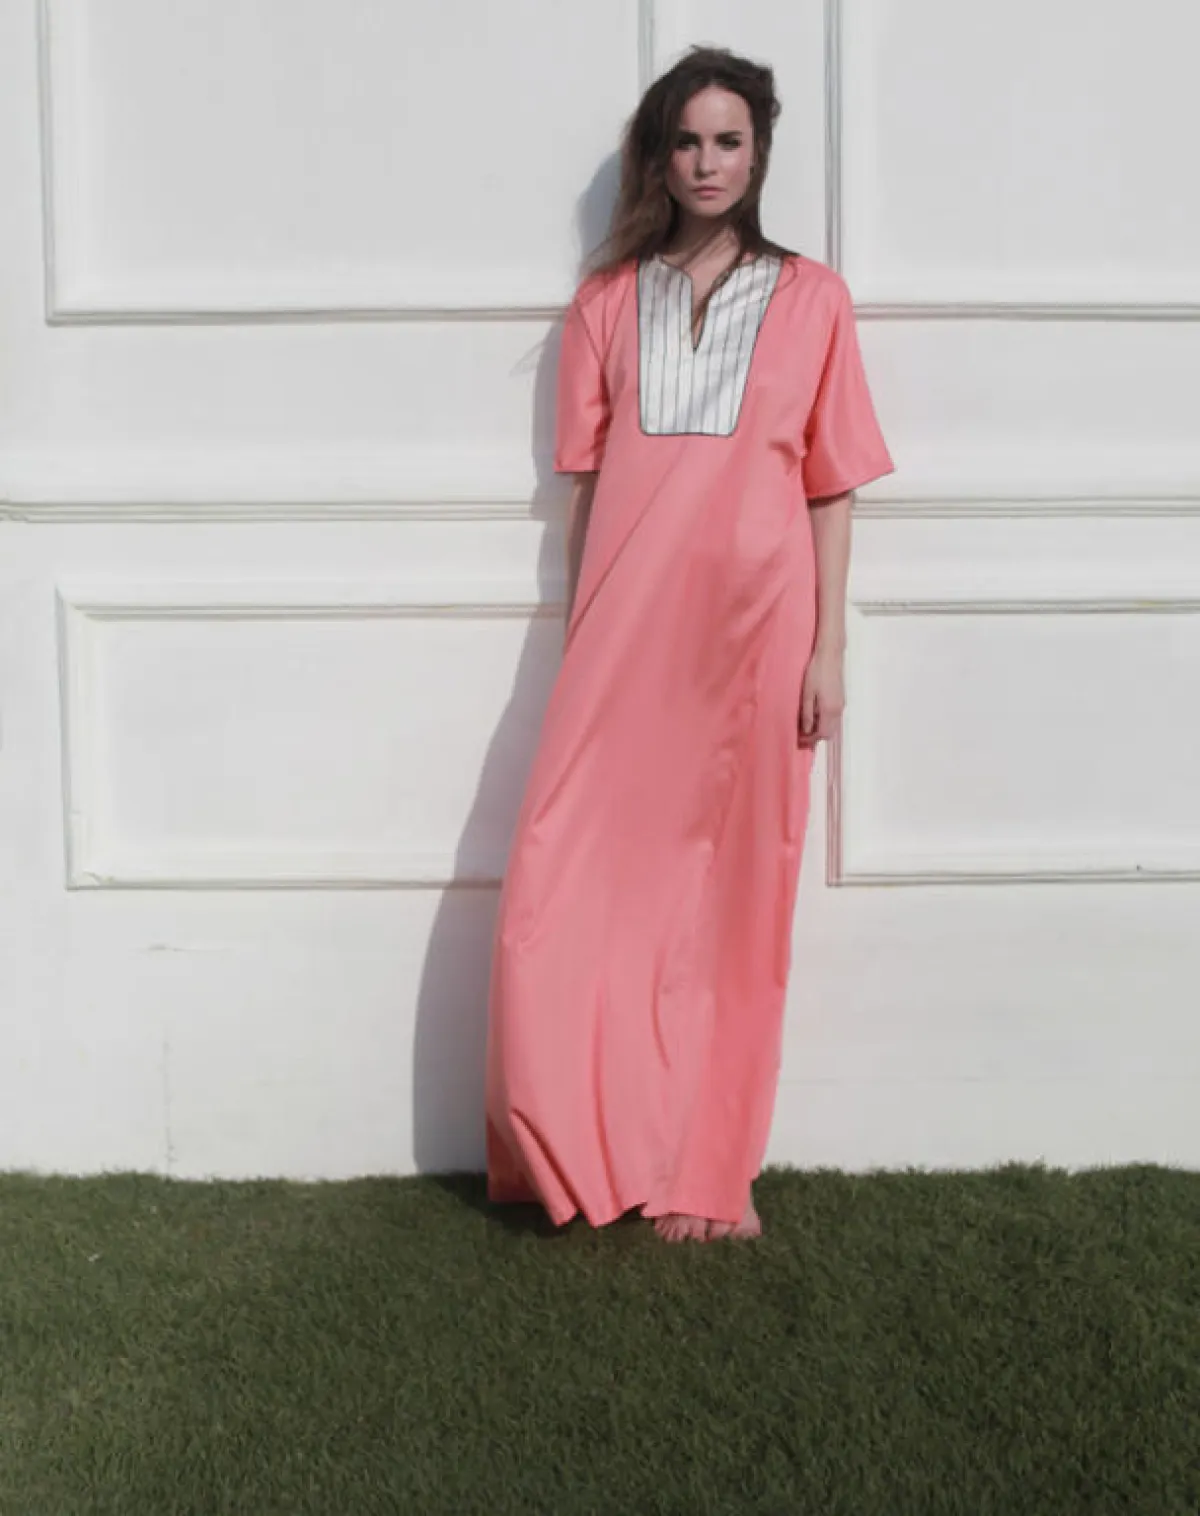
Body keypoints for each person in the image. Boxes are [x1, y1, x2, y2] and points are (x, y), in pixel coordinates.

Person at [484, 46, 894, 1242]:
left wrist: (828, 649)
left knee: (734, 898)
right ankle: (578, 1148)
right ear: (658, 157)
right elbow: (584, 487)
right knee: (567, 885)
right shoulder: (607, 303)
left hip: (760, 633)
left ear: (759, 153)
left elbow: (830, 487)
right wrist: (581, 636)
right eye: (687, 141)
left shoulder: (814, 300)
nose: (708, 163)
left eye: (729, 141)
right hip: (625, 635)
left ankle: (708, 1169)